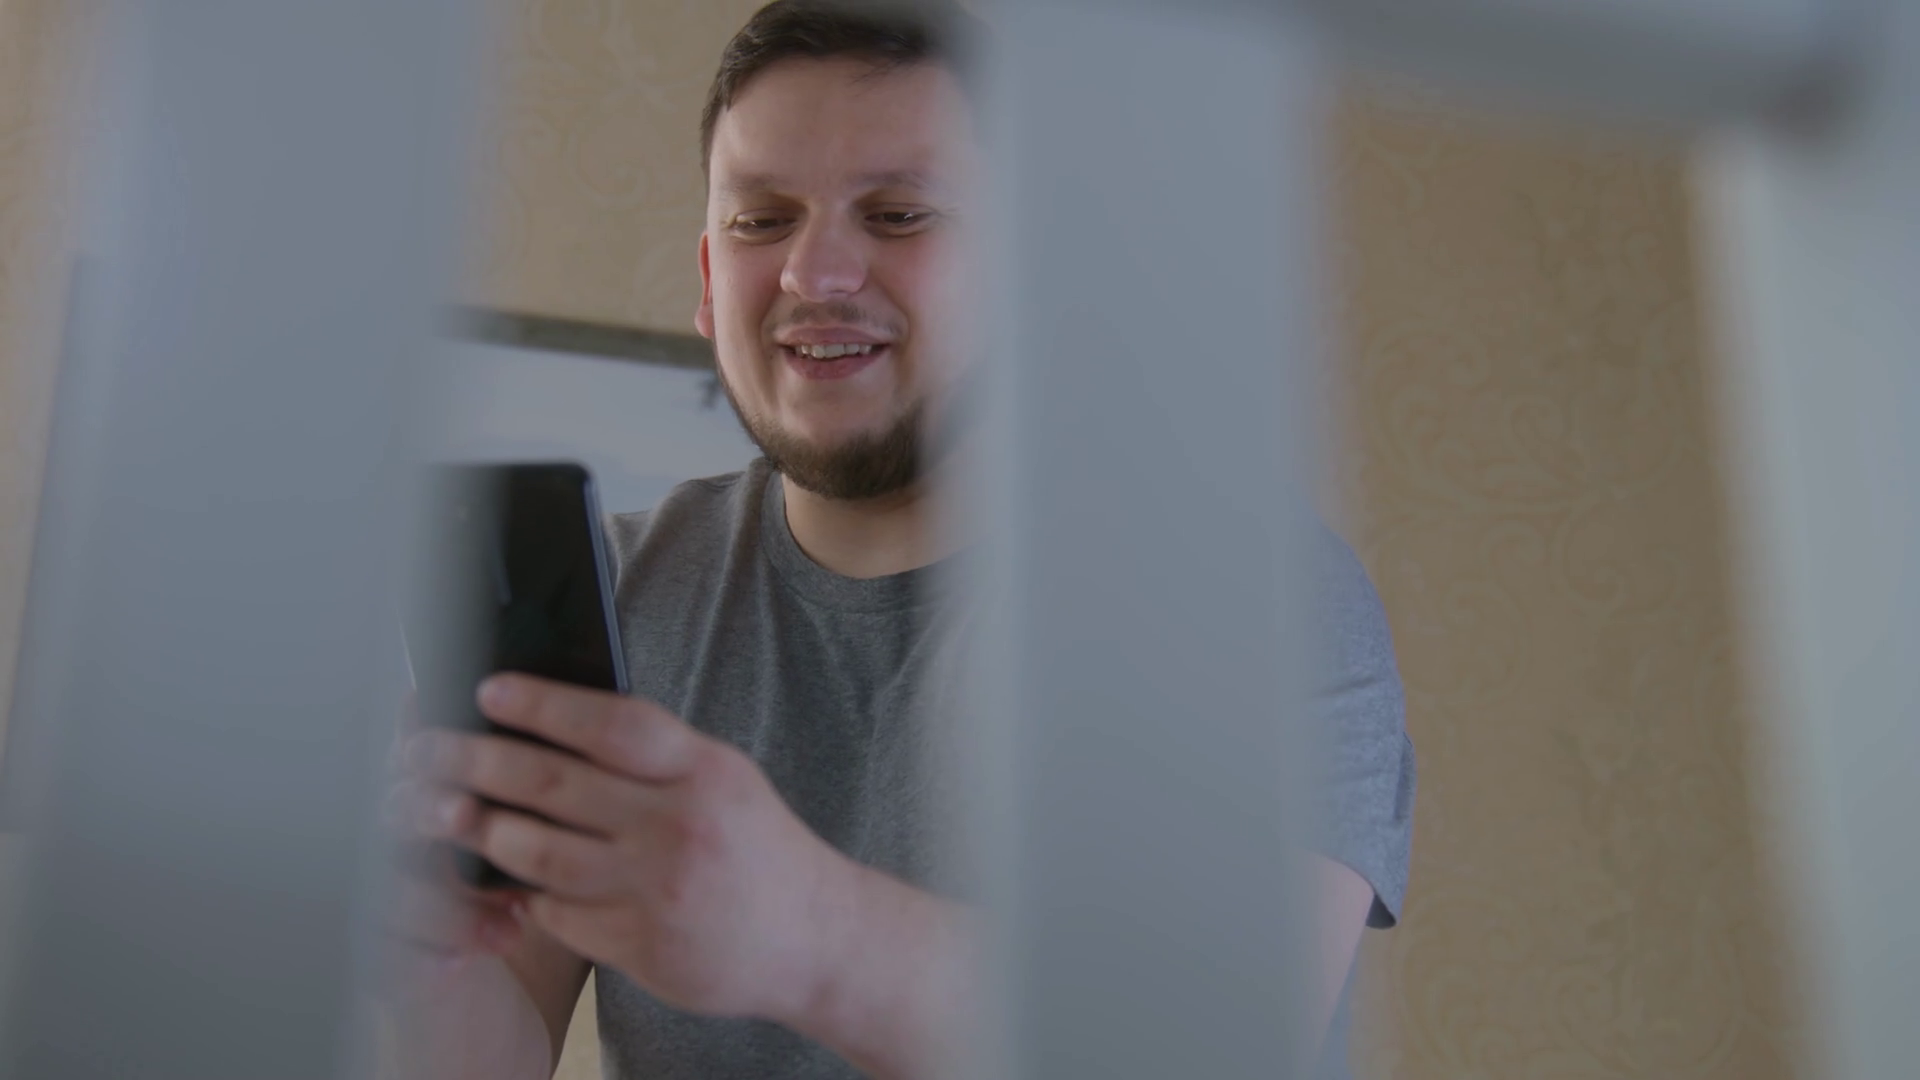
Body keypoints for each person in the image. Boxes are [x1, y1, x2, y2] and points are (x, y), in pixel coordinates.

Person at [385, 2, 1415, 1078]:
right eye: (761, 221)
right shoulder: (622, 593)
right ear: (707, 280)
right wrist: (433, 967)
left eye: (898, 215)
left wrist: (810, 932)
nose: (813, 272)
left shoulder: (1241, 594)